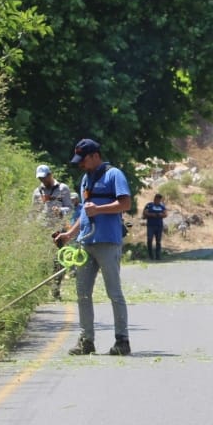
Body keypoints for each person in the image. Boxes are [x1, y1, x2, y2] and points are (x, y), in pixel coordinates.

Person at [56, 139, 133, 356]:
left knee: (114, 293)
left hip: (108, 242)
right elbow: (84, 212)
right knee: (82, 293)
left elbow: (125, 204)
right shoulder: (84, 179)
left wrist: (99, 209)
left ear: (95, 156)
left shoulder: (114, 174)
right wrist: (70, 234)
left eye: (84, 160)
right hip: (86, 243)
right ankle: (86, 341)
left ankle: (122, 341)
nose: (81, 164)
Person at [32, 164, 72, 299]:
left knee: (58, 261)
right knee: (42, 261)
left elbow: (70, 208)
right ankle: (43, 291)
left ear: (50, 175)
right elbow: (34, 211)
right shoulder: (37, 192)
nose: (43, 181)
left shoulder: (63, 189)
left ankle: (56, 290)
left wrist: (61, 210)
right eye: (40, 178)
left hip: (59, 230)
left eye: (44, 177)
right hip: (42, 230)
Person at [142, 193, 168, 260]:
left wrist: (160, 215)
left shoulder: (162, 206)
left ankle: (158, 256)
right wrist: (152, 214)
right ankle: (150, 256)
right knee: (149, 240)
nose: (158, 200)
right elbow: (145, 212)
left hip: (159, 226)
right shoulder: (149, 205)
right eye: (157, 199)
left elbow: (165, 214)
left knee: (158, 241)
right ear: (154, 198)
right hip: (150, 225)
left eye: (159, 199)